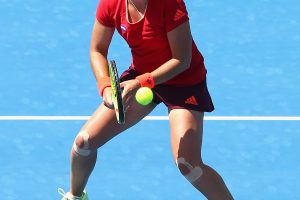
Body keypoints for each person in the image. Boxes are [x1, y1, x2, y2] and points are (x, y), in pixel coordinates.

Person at [59, 0, 234, 199]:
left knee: (188, 163)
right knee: (84, 142)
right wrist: (105, 85)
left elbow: (181, 60)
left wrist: (142, 82)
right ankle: (75, 196)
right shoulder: (110, 4)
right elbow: (97, 50)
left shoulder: (170, 4)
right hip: (140, 77)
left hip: (183, 83)